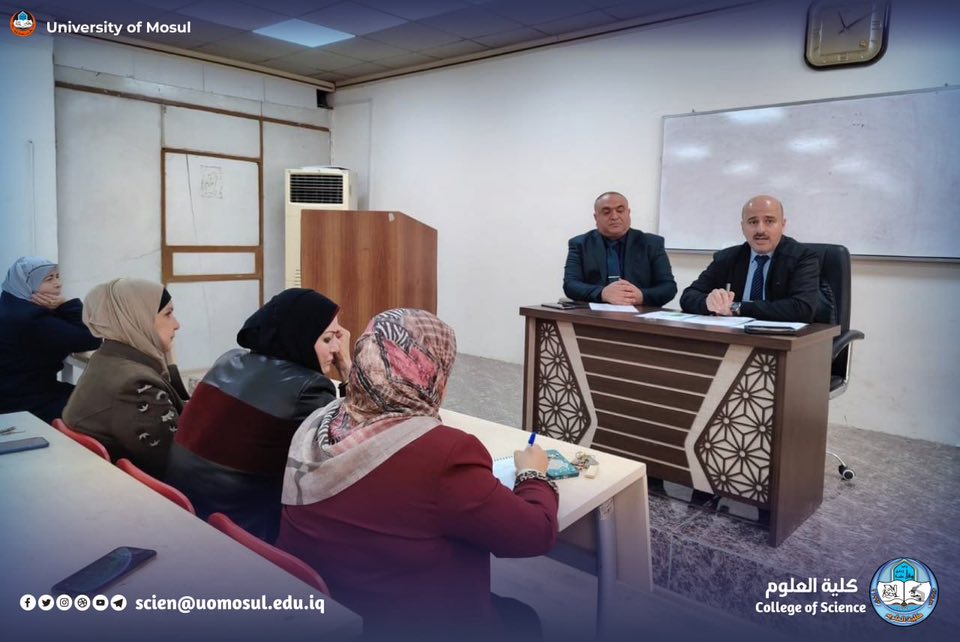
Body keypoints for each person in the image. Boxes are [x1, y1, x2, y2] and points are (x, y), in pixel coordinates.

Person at [278, 309, 558, 641]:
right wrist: (533, 473)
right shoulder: (445, 454)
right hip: (410, 620)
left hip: (330, 610)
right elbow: (535, 534)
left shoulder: (318, 422)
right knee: (524, 618)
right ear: (430, 371)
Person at [165, 288, 351, 543]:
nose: (338, 348)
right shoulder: (309, 389)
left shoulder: (228, 360)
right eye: (327, 339)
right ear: (299, 338)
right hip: (244, 531)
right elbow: (348, 448)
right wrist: (347, 368)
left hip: (185, 510)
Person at [62, 278, 189, 477]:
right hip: (142, 488)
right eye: (168, 314)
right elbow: (177, 461)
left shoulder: (107, 357)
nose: (177, 324)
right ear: (138, 319)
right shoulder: (135, 384)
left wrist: (169, 361)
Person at [679, 195, 821, 322]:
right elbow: (688, 297)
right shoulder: (726, 258)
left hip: (781, 338)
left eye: (769, 221)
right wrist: (708, 303)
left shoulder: (802, 257)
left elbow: (802, 309)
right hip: (734, 335)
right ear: (743, 227)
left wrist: (737, 308)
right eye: (753, 222)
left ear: (783, 225)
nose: (760, 230)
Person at [0, 257, 100, 423]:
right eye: (49, 279)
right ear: (27, 283)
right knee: (103, 407)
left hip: (14, 393)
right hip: (24, 403)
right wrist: (68, 304)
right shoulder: (31, 318)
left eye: (58, 276)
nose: (58, 284)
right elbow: (91, 338)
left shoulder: (10, 304)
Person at [563, 191, 677, 306]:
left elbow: (668, 287)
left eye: (620, 210)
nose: (614, 216)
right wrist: (602, 293)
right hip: (594, 313)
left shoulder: (651, 243)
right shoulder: (580, 244)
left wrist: (641, 296)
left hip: (639, 313)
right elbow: (570, 285)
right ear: (596, 217)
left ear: (628, 213)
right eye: (606, 212)